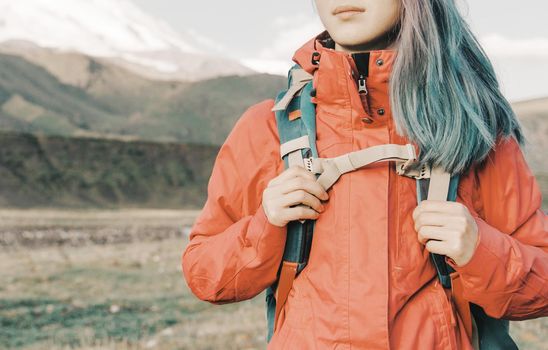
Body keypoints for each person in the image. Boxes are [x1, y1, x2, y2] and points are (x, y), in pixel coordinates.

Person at [182, 0, 548, 348]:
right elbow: (204, 275)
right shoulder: (267, 129)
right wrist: (265, 226)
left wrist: (480, 249)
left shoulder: (475, 129)